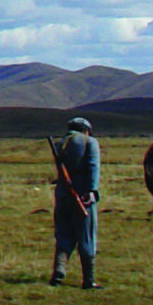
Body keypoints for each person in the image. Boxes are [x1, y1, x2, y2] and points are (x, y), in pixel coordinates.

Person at [49, 115, 102, 288]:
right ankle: (89, 279)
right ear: (86, 129)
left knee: (63, 235)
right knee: (86, 236)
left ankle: (59, 272)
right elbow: (93, 167)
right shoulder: (89, 142)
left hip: (62, 194)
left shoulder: (60, 143)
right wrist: (92, 190)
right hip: (81, 194)